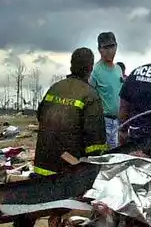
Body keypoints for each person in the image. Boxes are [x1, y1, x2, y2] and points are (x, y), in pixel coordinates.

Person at [33, 47, 107, 176]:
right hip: (67, 172)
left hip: (41, 166)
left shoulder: (55, 87)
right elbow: (95, 140)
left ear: (71, 65)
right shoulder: (90, 95)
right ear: (90, 68)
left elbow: (40, 115)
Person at [90, 32, 124, 147]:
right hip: (104, 122)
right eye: (105, 47)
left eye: (112, 46)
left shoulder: (118, 70)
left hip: (119, 122)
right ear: (99, 49)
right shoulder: (95, 72)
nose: (110, 51)